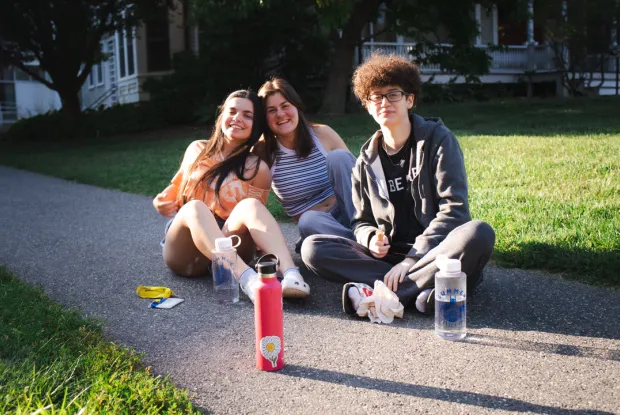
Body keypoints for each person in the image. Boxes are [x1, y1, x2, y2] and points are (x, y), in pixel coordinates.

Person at [301, 53, 495, 319]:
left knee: (478, 233)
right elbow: (360, 221)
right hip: (387, 260)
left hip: (434, 253)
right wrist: (371, 238)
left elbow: (455, 212)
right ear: (367, 106)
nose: (384, 102)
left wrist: (411, 259)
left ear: (409, 100)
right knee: (312, 248)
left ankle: (384, 295)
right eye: (376, 97)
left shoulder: (439, 141)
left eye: (393, 94)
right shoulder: (365, 161)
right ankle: (427, 290)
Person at [153, 89, 310, 301]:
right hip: (186, 251)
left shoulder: (257, 168)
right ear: (221, 116)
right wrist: (161, 202)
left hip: (229, 243)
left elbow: (256, 223)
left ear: (256, 126)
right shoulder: (197, 150)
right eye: (232, 111)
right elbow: (171, 193)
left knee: (252, 206)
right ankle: (248, 281)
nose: (237, 118)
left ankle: (292, 275)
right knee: (195, 207)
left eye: (248, 115)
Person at [256, 78, 357, 245]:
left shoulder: (323, 134)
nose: (280, 114)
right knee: (307, 220)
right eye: (271, 110)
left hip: (351, 212)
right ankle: (361, 244)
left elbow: (356, 176)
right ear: (264, 118)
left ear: (296, 106)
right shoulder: (263, 152)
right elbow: (257, 206)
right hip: (320, 226)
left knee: (338, 158)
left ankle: (364, 231)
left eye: (285, 106)